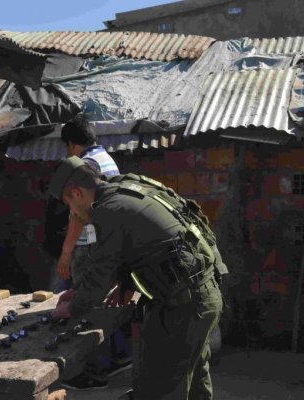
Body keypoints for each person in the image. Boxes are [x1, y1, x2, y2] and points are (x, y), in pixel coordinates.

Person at [49, 156, 224, 400]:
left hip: (184, 306)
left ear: (76, 194)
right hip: (201, 295)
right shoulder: (128, 186)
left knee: (161, 388)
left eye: (69, 203)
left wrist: (73, 307)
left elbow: (100, 273)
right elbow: (149, 244)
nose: (73, 212)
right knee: (193, 377)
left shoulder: (109, 211)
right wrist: (126, 283)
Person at [53, 116, 131, 391]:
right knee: (109, 302)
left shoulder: (85, 166)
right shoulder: (107, 159)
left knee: (87, 306)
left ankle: (92, 372)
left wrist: (65, 255)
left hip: (91, 245)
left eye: (66, 148)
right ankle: (119, 355)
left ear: (71, 145)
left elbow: (77, 215)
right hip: (109, 241)